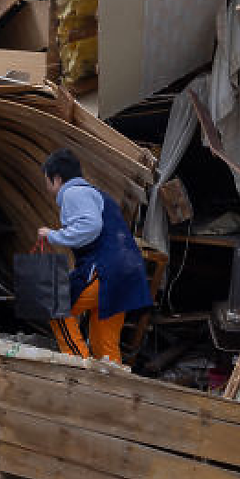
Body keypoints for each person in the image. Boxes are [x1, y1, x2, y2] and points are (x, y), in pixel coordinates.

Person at [36, 148, 153, 365]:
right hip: (127, 273)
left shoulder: (73, 192)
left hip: (106, 270)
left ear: (57, 179)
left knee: (55, 303)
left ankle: (79, 368)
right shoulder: (97, 194)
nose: (46, 186)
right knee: (104, 343)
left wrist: (53, 235)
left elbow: (90, 226)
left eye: (46, 180)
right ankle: (112, 388)